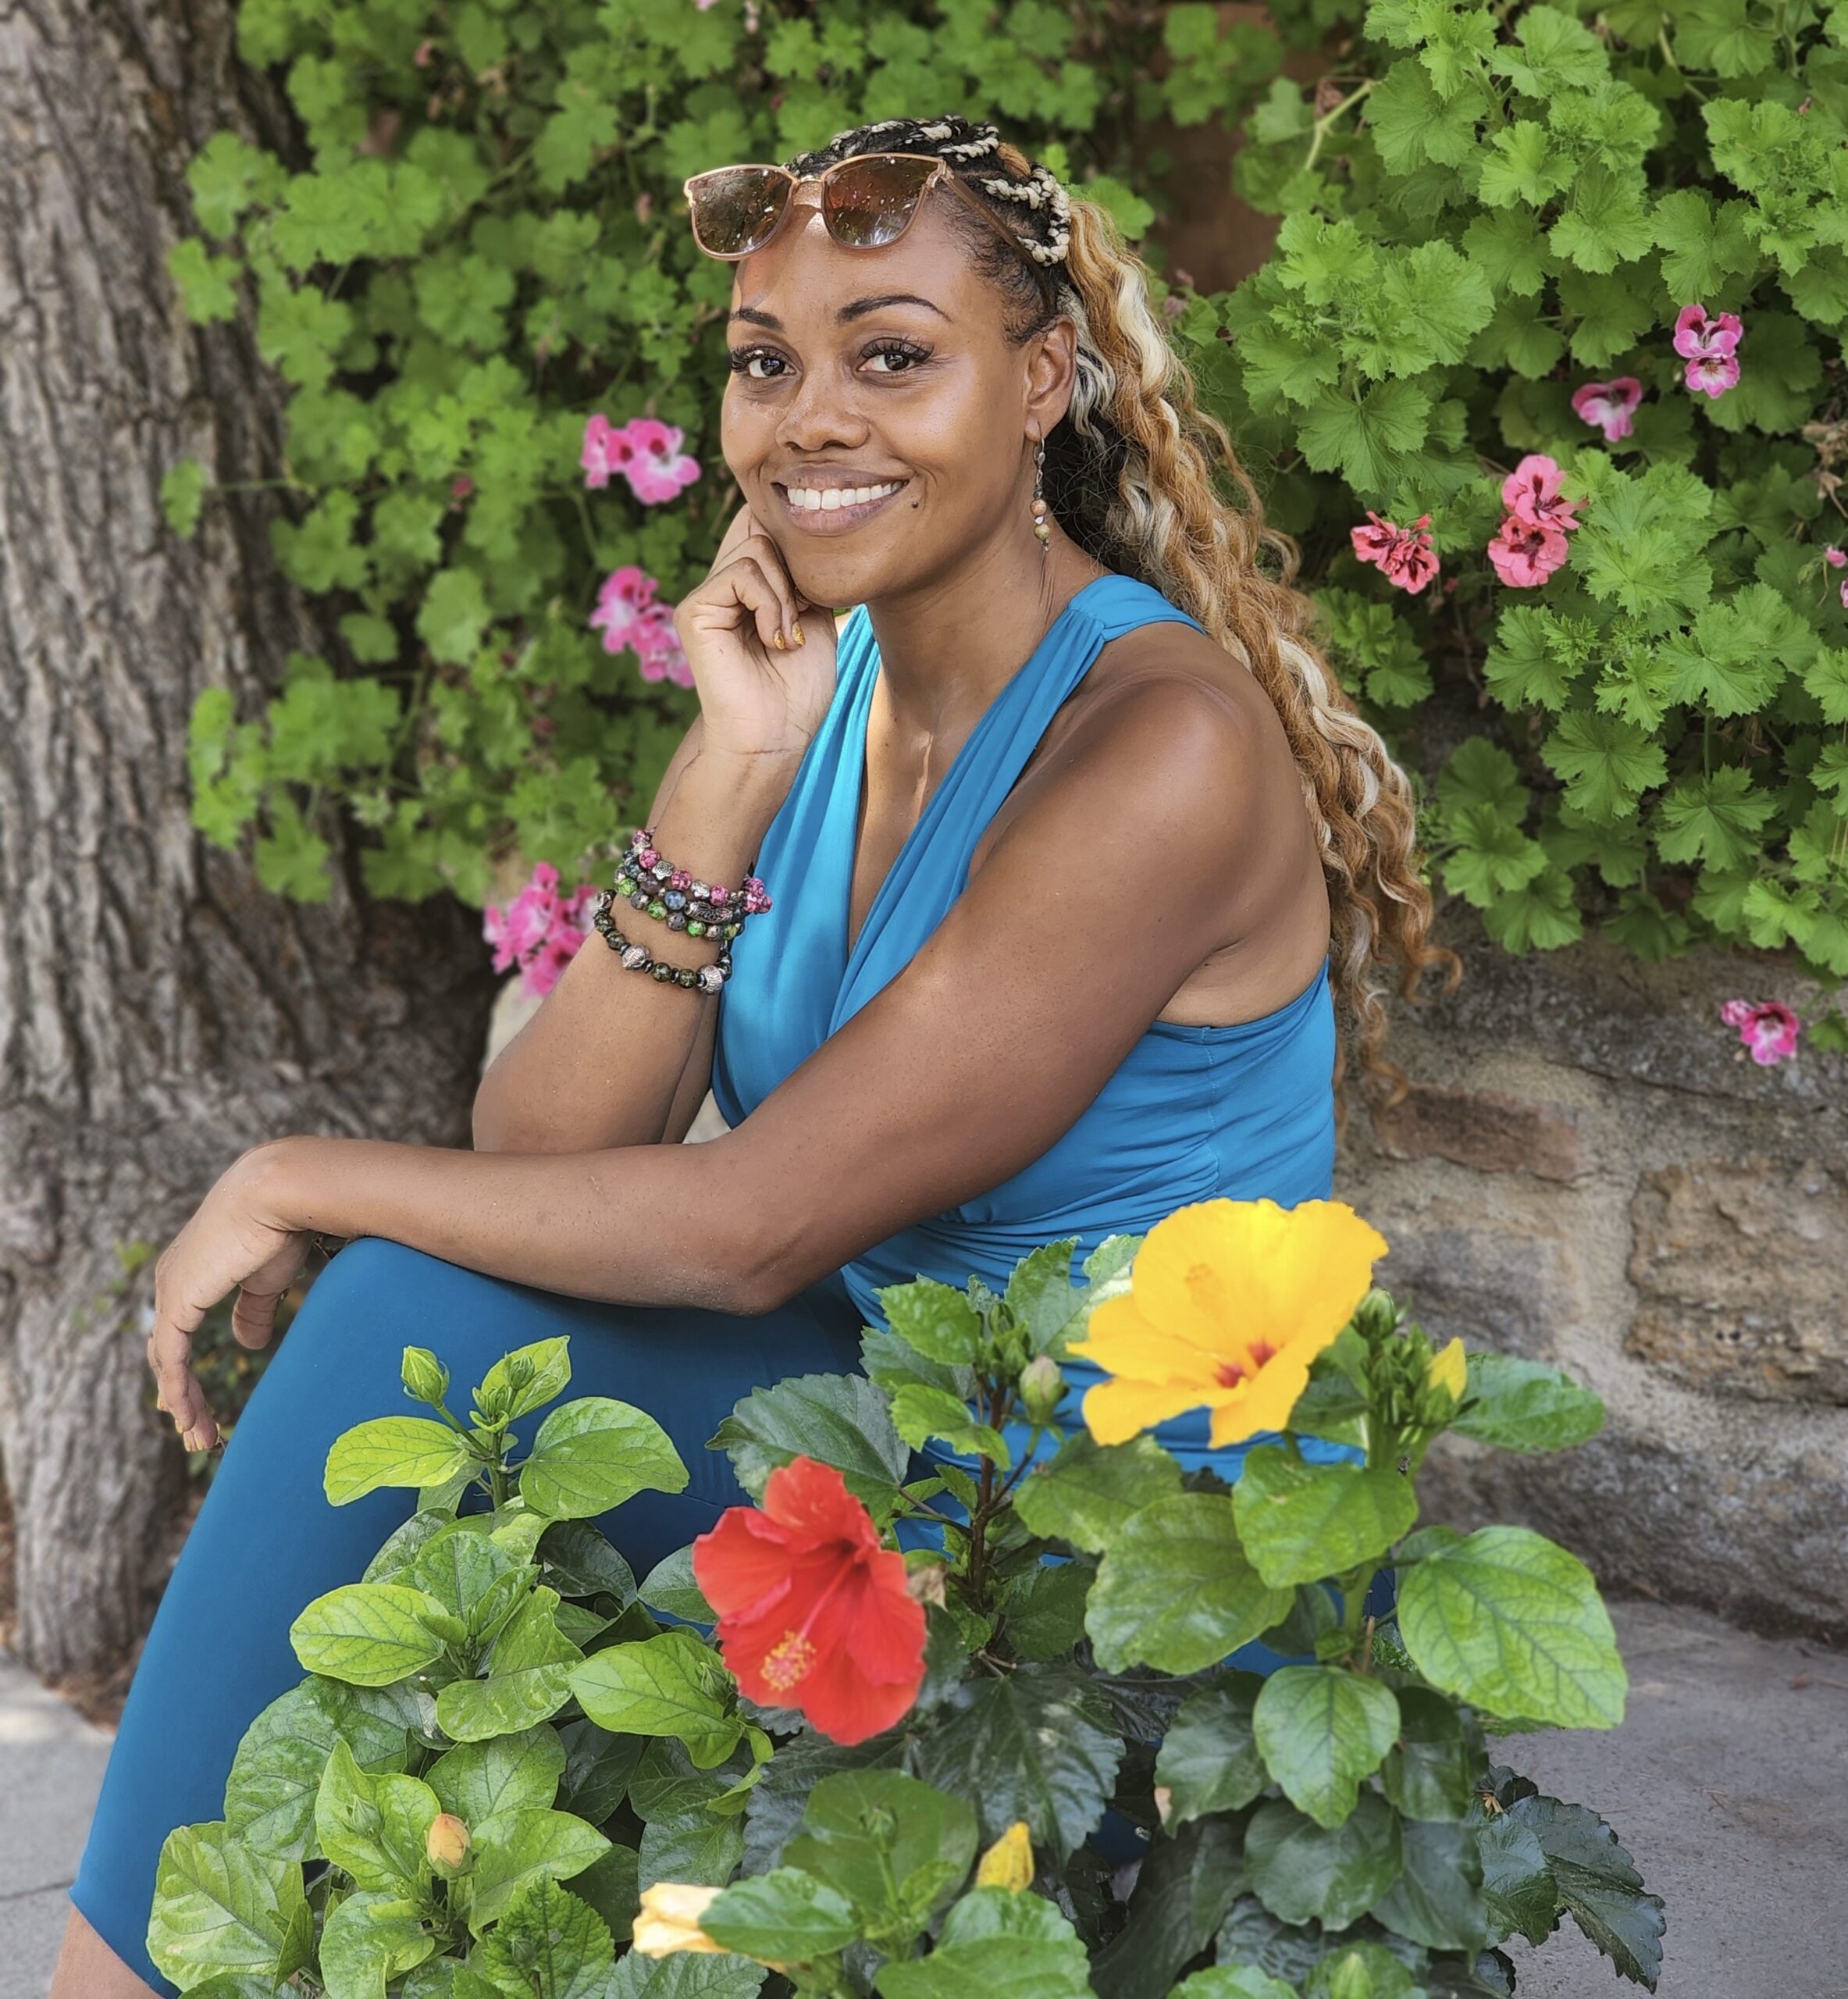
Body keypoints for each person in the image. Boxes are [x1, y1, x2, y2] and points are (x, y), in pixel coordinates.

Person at [55, 113, 1455, 1997]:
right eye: (763, 361)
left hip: (1117, 1574)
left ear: (1042, 378)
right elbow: (539, 1151)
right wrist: (726, 768)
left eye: (892, 355)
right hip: (887, 1439)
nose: (810, 419)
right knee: (419, 1306)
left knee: (391, 1289)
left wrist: (289, 1172)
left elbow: (741, 1230)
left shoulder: (1158, 749)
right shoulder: (836, 673)